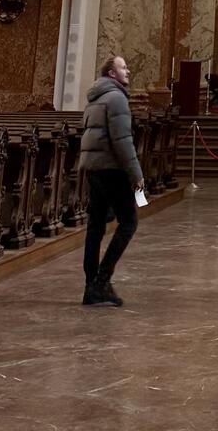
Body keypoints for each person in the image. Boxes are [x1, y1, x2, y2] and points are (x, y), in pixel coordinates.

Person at [78, 53, 146, 307]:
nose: (128, 71)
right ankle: (101, 281)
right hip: (111, 169)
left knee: (95, 226)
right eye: (123, 67)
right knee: (128, 223)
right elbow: (122, 141)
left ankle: (90, 286)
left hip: (95, 169)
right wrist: (136, 174)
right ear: (111, 74)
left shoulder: (96, 98)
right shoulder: (116, 99)